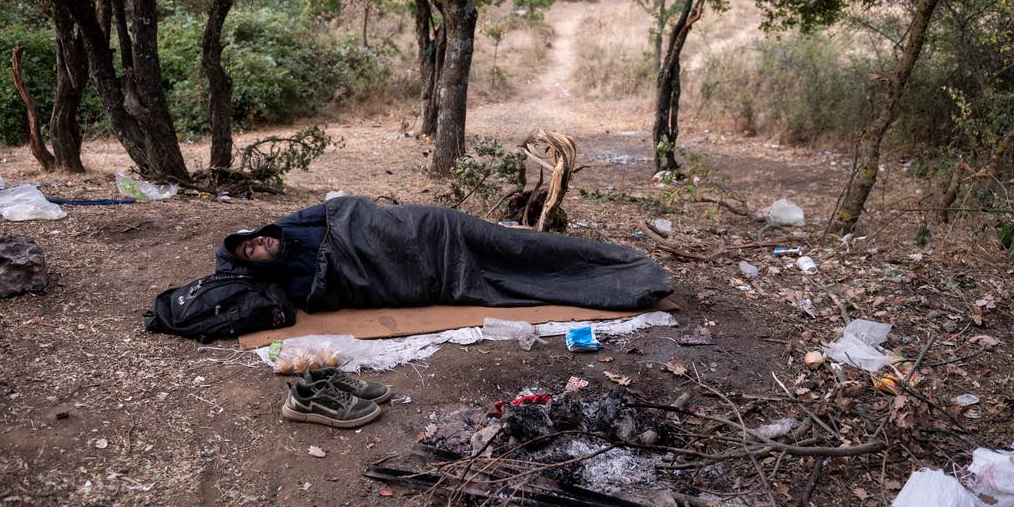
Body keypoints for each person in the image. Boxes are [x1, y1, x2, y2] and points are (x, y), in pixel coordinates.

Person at [216, 195, 672, 314]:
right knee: (508, 279)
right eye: (252, 252)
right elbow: (333, 294)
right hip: (425, 270)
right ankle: (625, 286)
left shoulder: (294, 222)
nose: (261, 244)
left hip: (431, 227)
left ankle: (624, 264)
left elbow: (346, 208)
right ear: (254, 264)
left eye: (254, 237)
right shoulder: (294, 285)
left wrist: (343, 232)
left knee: (517, 244)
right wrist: (335, 253)